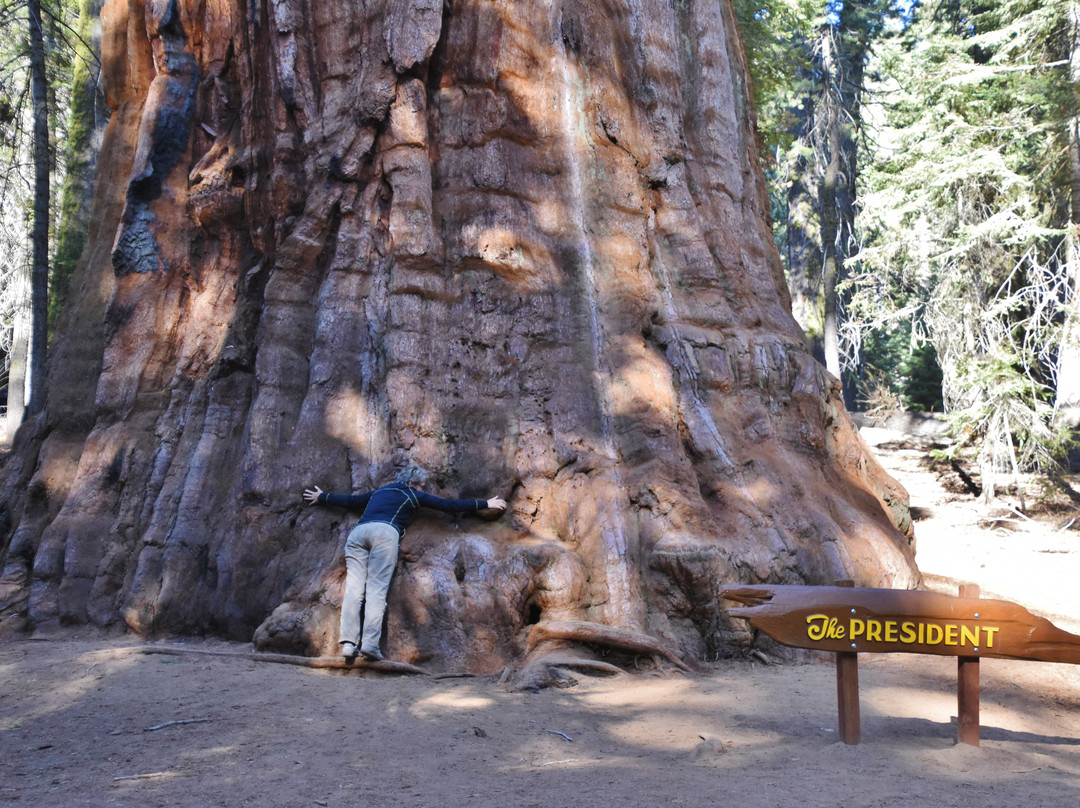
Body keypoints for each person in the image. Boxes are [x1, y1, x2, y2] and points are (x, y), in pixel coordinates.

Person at [303, 464, 506, 662]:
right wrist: (485, 504)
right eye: (422, 485)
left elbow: (352, 501)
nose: (423, 489)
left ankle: (348, 644)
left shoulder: (380, 491)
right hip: (384, 533)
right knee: (376, 589)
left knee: (355, 589)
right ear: (412, 482)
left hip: (358, 534)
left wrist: (323, 497)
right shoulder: (411, 493)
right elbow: (448, 506)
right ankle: (369, 645)